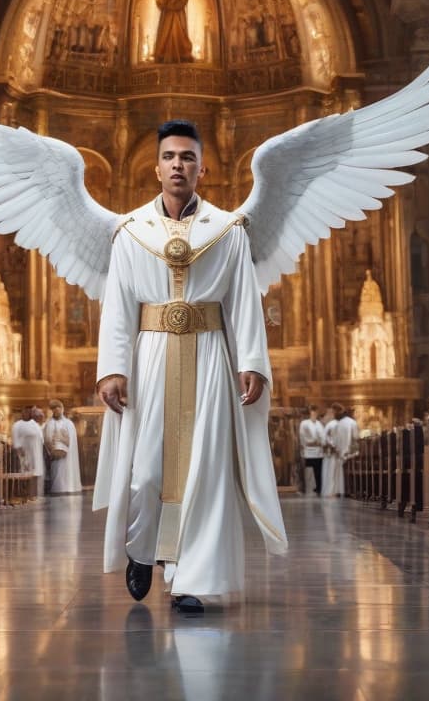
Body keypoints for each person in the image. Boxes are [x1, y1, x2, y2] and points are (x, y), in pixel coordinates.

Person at [93, 120, 287, 614]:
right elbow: (117, 305)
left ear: (203, 168)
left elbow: (244, 299)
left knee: (207, 468)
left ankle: (190, 579)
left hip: (209, 353)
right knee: (144, 473)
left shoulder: (228, 230)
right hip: (150, 357)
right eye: (170, 156)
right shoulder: (130, 232)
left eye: (187, 157)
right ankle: (142, 550)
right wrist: (112, 367)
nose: (178, 164)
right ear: (155, 167)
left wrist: (252, 362)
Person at [44, 399, 82, 495]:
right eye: (54, 408)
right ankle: (58, 489)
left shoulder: (69, 423)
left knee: (67, 470)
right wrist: (51, 450)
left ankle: (69, 486)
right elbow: (46, 438)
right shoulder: (49, 423)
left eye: (58, 407)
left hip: (67, 454)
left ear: (62, 409)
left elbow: (72, 440)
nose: (56, 410)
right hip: (55, 454)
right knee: (57, 473)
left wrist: (63, 440)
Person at [322, 403, 358, 497]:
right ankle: (339, 491)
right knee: (334, 473)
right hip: (341, 453)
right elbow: (355, 439)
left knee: (336, 474)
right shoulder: (337, 423)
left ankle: (340, 491)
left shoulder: (340, 423)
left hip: (341, 453)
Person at [10, 406, 45, 498]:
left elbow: (41, 441)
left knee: (36, 479)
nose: (27, 413)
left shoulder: (36, 425)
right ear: (22, 412)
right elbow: (16, 443)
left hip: (37, 458)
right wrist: (23, 457)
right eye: (25, 411)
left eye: (29, 412)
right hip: (25, 458)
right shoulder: (17, 425)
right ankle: (24, 497)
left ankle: (35, 497)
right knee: (25, 479)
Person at [298, 404, 325, 496]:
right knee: (307, 471)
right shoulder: (304, 423)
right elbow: (302, 436)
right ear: (310, 413)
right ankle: (306, 488)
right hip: (308, 452)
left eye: (315, 412)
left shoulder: (319, 424)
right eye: (312, 412)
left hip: (318, 452)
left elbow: (322, 437)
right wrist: (311, 442)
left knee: (318, 471)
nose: (314, 414)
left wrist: (319, 442)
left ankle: (319, 488)